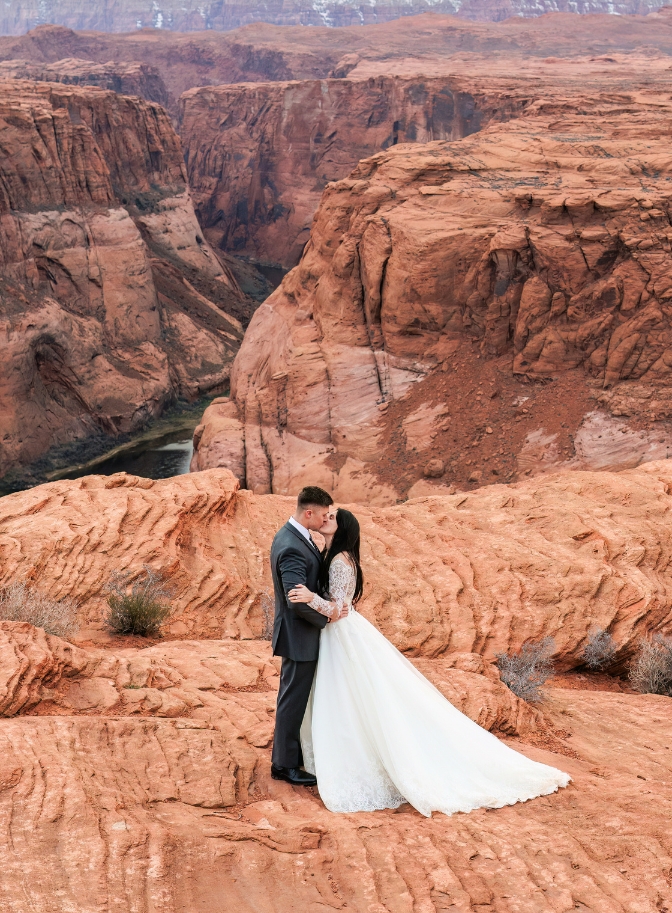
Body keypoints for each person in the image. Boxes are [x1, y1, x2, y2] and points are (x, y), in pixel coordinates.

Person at [288, 507, 571, 816]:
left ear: (343, 529)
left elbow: (339, 609)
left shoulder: (341, 561)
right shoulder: (333, 555)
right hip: (339, 637)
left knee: (352, 698)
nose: (326, 519)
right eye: (325, 515)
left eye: (333, 518)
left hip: (341, 635)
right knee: (349, 699)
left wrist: (309, 598)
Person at [269, 486, 347, 786]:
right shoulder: (290, 545)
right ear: (309, 513)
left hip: (300, 634)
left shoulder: (296, 537)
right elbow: (295, 599)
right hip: (298, 635)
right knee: (292, 699)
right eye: (323, 514)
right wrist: (326, 618)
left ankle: (292, 754)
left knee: (296, 697)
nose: (325, 519)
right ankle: (284, 765)